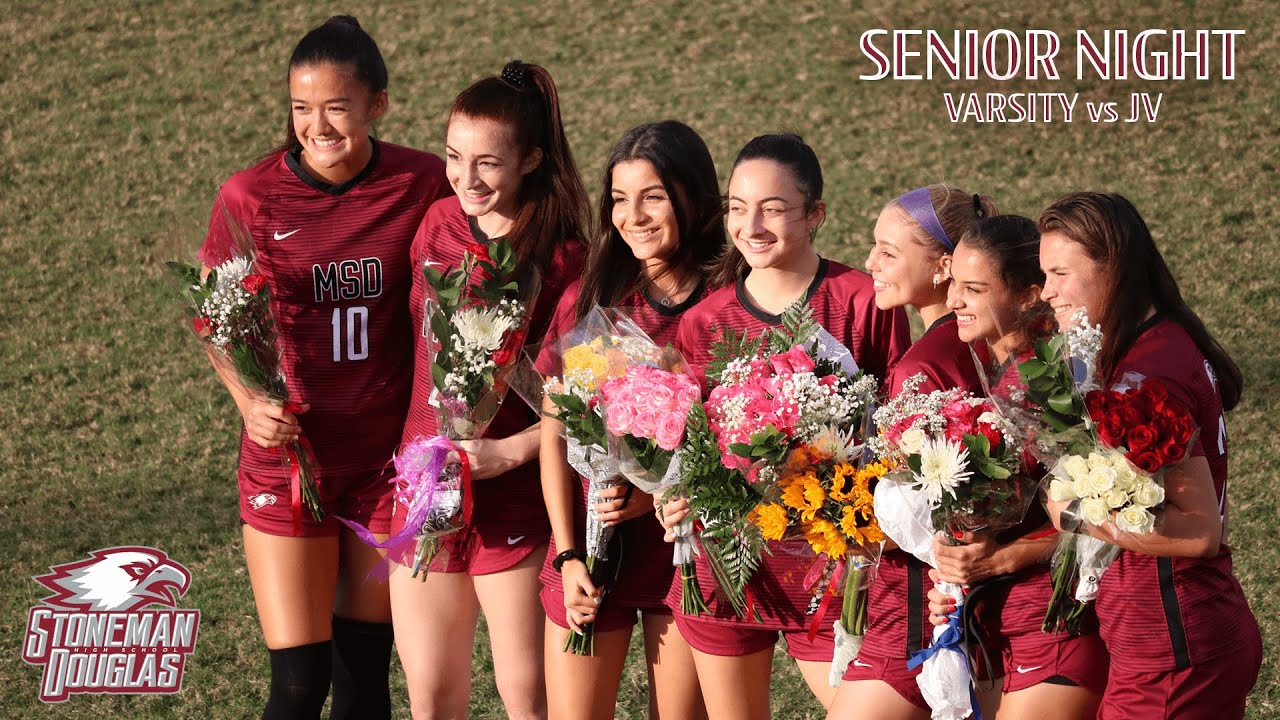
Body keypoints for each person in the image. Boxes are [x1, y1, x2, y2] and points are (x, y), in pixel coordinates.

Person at [197, 16, 450, 720]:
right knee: (299, 684)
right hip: (288, 460)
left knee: (365, 678)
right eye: (301, 107)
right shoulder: (249, 197)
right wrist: (249, 402)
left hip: (383, 467)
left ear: (377, 104)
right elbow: (216, 320)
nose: (317, 125)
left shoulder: (423, 181)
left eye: (337, 106)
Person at [662, 134, 911, 719]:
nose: (751, 226)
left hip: (833, 572)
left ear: (815, 214)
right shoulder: (703, 321)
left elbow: (900, 425)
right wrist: (671, 493)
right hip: (726, 568)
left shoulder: (862, 301)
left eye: (772, 209)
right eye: (737, 207)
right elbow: (689, 446)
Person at [390, 60, 589, 720]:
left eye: (488, 163)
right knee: (430, 698)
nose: (466, 178)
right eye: (454, 157)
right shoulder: (437, 224)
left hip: (514, 501)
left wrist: (511, 452)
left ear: (531, 158)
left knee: (526, 700)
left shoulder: (564, 258)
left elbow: (584, 403)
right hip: (427, 486)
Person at [1036, 192, 1260, 719]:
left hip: (1172, 648)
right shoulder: (1159, 343)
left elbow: (1198, 532)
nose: (1046, 292)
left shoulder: (1150, 372)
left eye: (1060, 274)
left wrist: (1072, 511)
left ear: (1112, 267)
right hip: (1178, 636)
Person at [537, 120, 721, 720]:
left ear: (694, 197)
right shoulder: (590, 297)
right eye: (619, 199)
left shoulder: (726, 307)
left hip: (684, 558)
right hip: (591, 553)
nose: (633, 216)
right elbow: (554, 437)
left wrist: (656, 490)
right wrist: (568, 556)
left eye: (653, 197)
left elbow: (734, 442)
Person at [923, 214, 1108, 719]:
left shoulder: (1053, 379)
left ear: (1028, 296)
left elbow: (1100, 524)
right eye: (954, 282)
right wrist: (954, 574)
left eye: (974, 289)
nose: (954, 300)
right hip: (1004, 626)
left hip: (1059, 625)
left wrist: (999, 561)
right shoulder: (997, 368)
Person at [827, 185, 996, 720]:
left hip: (920, 612)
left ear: (945, 266)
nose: (870, 262)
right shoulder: (981, 340)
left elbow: (926, 512)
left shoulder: (923, 366)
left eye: (889, 252)